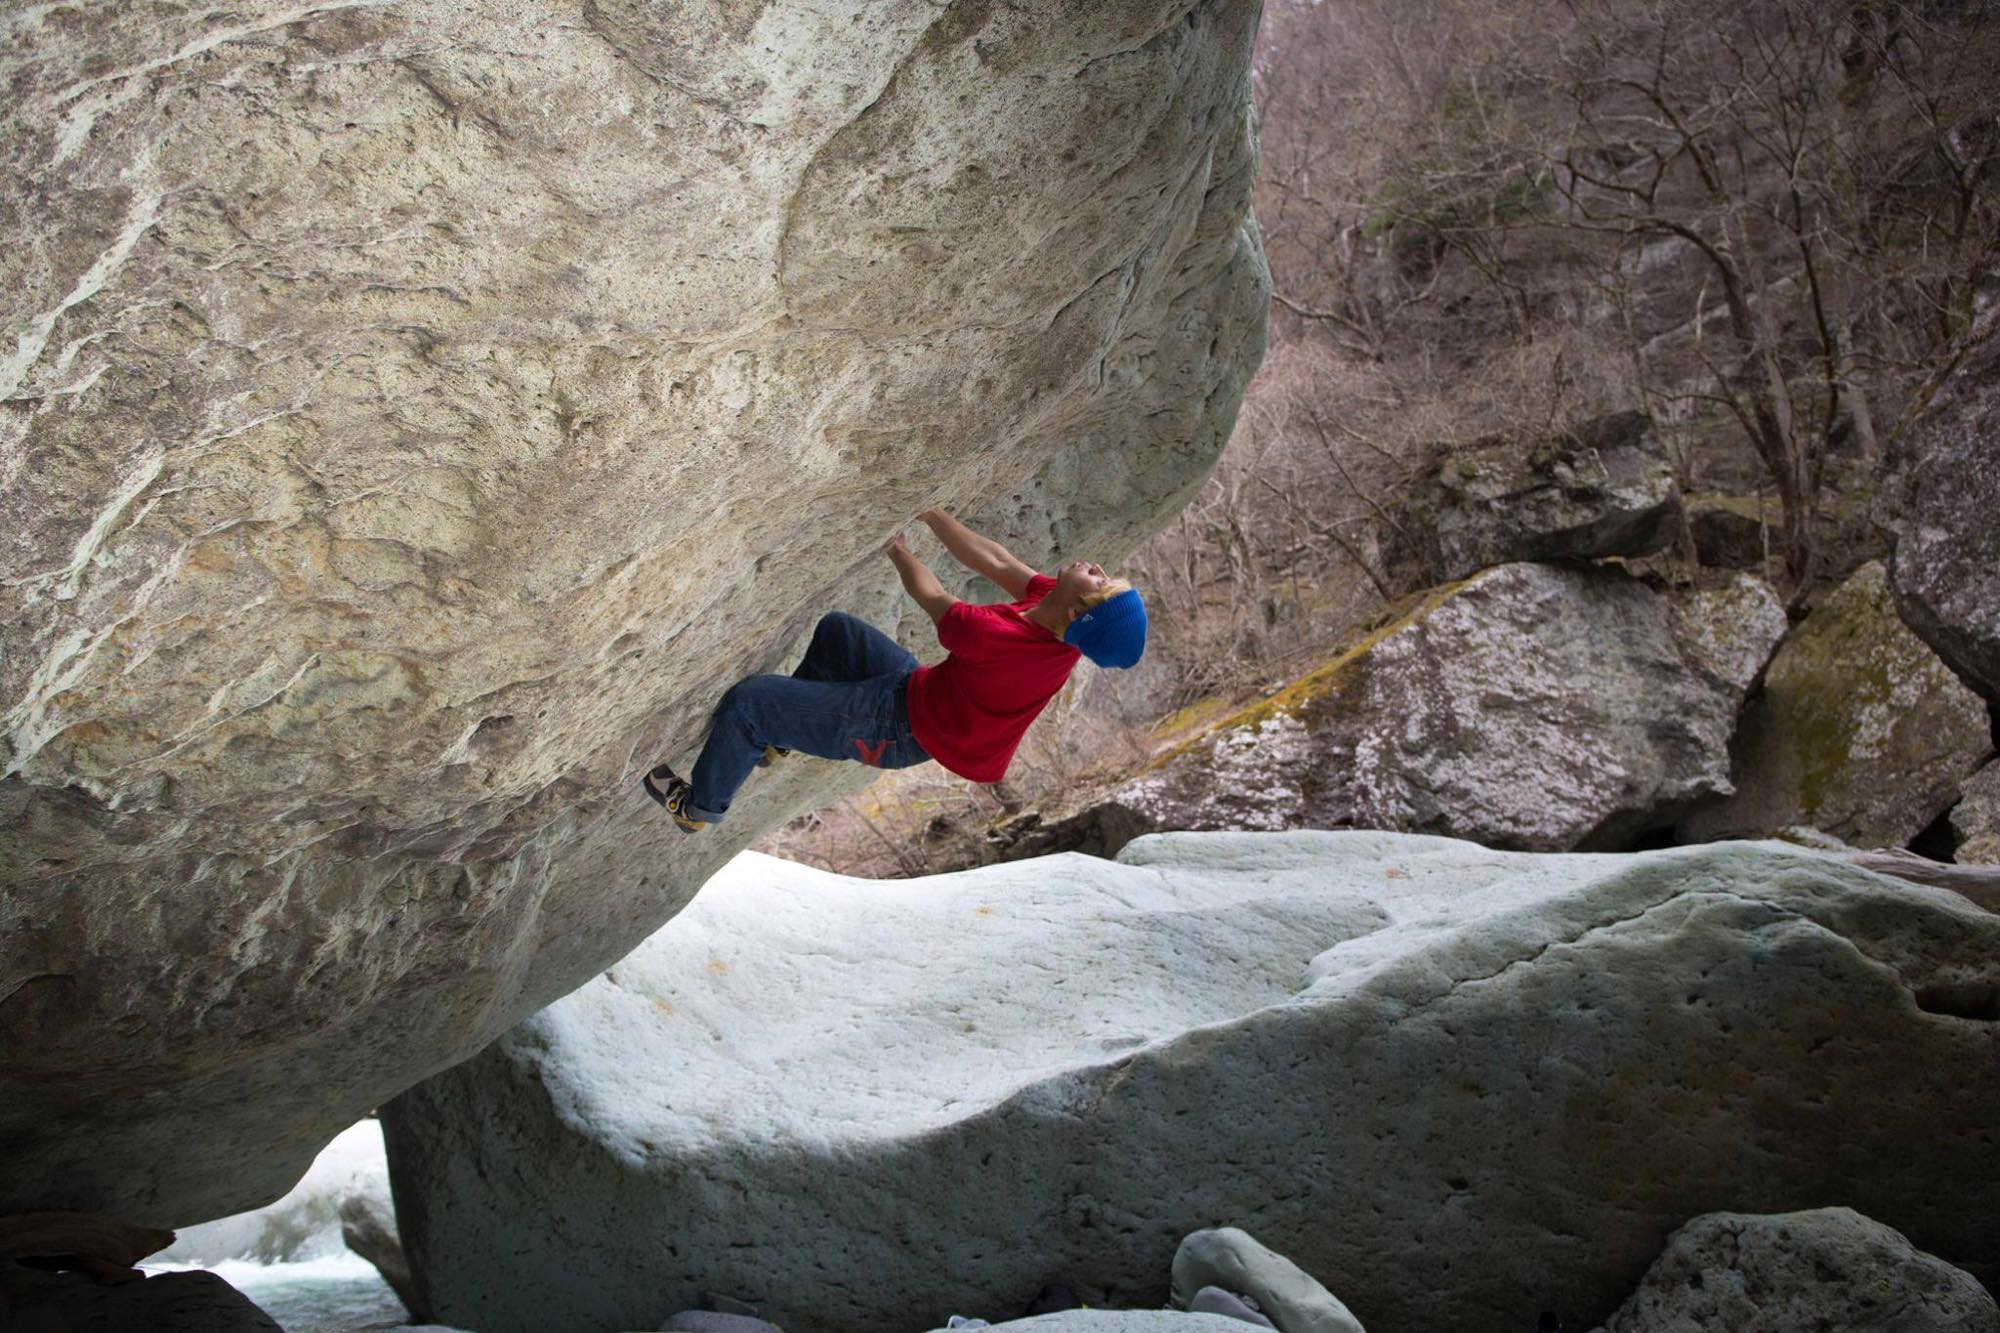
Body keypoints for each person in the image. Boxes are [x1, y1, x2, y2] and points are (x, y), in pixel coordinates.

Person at [642, 508, 1148, 834]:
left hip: (896, 730)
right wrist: (931, 513)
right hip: (917, 692)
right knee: (839, 632)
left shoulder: (1002, 641)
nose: (1097, 568)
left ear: (1080, 611)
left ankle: (700, 809)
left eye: (1099, 581)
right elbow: (994, 559)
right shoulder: (1051, 611)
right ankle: (780, 739)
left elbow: (931, 595)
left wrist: (894, 546)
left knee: (750, 703)